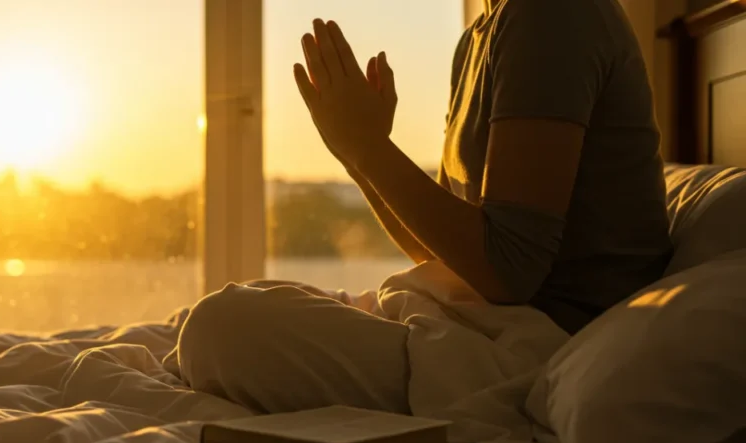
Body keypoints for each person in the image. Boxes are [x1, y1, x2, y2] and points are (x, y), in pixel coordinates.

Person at [169, 0, 672, 413]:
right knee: (220, 316)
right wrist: (357, 155)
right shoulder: (480, 36)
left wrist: (371, 149)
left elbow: (509, 269)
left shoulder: (551, 15)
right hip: (482, 324)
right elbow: (448, 256)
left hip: (541, 350)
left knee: (221, 326)